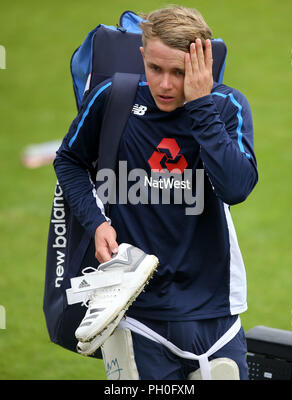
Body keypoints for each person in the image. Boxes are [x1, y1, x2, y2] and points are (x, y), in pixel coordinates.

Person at [54, 6, 258, 380]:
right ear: (143, 55)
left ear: (203, 65)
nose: (165, 85)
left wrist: (200, 105)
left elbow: (236, 187)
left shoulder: (227, 107)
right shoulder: (111, 99)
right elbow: (69, 160)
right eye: (156, 69)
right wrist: (97, 222)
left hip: (216, 311)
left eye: (180, 73)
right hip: (135, 311)